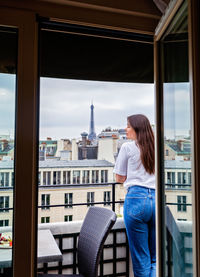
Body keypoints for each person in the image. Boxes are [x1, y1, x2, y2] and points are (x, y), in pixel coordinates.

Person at [113, 114, 155, 277]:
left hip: (137, 199)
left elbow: (119, 178)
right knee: (155, 258)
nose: (126, 128)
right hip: (156, 200)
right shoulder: (155, 146)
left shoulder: (127, 147)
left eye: (128, 126)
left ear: (137, 129)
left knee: (141, 259)